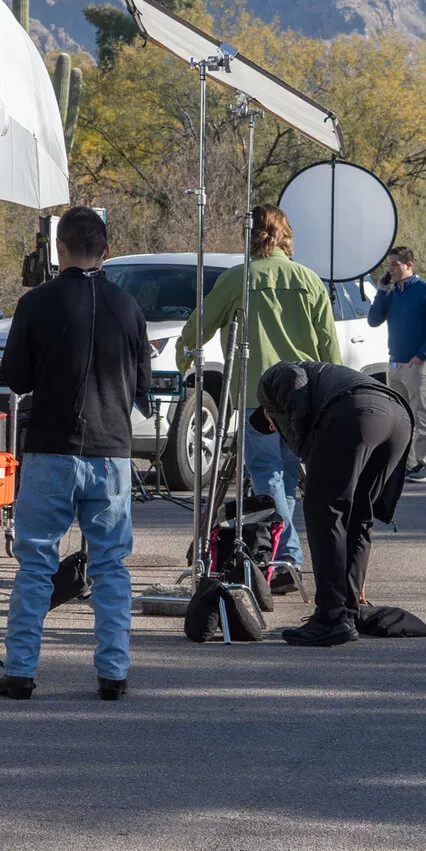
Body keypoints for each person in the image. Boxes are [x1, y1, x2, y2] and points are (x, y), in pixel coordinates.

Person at [0, 206, 152, 701]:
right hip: (111, 452)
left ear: (59, 248)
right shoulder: (128, 306)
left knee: (36, 562)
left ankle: (20, 670)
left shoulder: (36, 303)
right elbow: (142, 384)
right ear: (106, 250)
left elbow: (16, 378)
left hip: (51, 449)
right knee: (111, 566)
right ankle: (113, 672)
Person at [177, 205, 337, 576]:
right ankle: (283, 553)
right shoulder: (309, 280)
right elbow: (329, 345)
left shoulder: (238, 279)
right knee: (287, 476)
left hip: (257, 397)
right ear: (286, 236)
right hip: (304, 397)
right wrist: (332, 396)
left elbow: (199, 326)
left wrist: (183, 357)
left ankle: (284, 555)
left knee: (267, 474)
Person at [253, 361, 413, 647]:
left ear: (268, 409)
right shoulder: (322, 381)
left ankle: (331, 617)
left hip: (359, 412)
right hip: (398, 418)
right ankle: (349, 610)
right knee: (358, 516)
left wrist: (306, 449)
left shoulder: (271, 381)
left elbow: (292, 380)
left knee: (324, 510)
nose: (275, 428)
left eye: (272, 423)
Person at [368, 246, 426, 482]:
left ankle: (423, 465)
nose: (390, 269)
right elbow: (373, 320)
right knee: (399, 418)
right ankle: (404, 464)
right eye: (389, 265)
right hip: (395, 364)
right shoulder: (392, 294)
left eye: (395, 264)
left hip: (419, 365)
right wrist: (381, 291)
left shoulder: (424, 291)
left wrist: (422, 354)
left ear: (409, 265)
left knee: (419, 416)